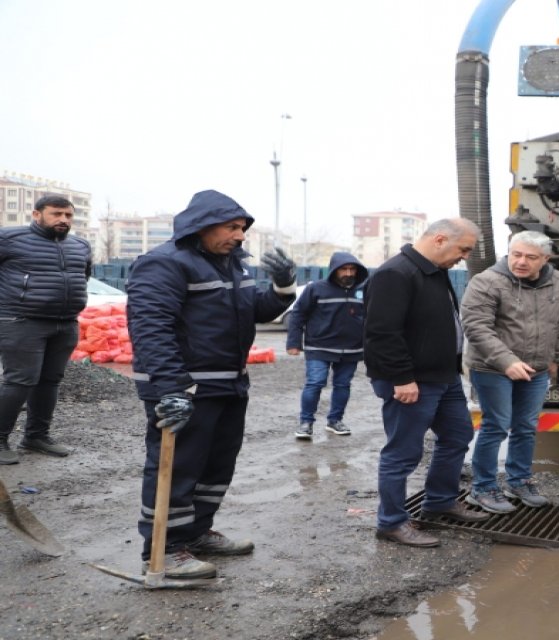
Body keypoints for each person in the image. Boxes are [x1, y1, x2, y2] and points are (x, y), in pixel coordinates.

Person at [127, 190, 297, 579]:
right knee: (179, 467)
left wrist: (283, 287)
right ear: (201, 226)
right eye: (231, 227)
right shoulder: (164, 264)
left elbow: (257, 311)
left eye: (242, 229)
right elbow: (151, 328)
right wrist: (171, 387)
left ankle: (196, 533)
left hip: (227, 384)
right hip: (184, 388)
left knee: (216, 466)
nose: (239, 236)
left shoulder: (231, 266)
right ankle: (164, 550)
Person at [364, 217, 489, 548]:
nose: (464, 256)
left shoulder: (434, 272)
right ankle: (390, 523)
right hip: (412, 381)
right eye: (463, 249)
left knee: (458, 435)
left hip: (443, 377)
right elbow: (382, 333)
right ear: (439, 239)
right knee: (403, 452)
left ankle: (440, 501)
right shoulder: (396, 273)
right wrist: (402, 378)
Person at [460, 230, 559, 513]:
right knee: (496, 425)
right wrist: (506, 361)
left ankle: (518, 481)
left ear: (545, 259)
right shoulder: (486, 282)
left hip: (535, 369)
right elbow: (476, 327)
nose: (521, 262)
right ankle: (482, 488)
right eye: (516, 254)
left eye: (530, 257)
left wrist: (554, 358)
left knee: (526, 427)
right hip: (493, 368)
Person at [0, 194, 92, 464]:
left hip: (64, 323)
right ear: (37, 214)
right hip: (21, 321)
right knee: (20, 381)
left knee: (50, 381)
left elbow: (82, 277)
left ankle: (36, 436)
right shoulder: (9, 239)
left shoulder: (80, 245)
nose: (63, 220)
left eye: (68, 215)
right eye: (56, 214)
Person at [286, 252, 369, 439]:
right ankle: (306, 423)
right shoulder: (315, 289)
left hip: (352, 348)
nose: (348, 273)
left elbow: (372, 318)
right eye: (344, 269)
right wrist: (294, 342)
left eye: (352, 269)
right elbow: (298, 314)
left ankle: (335, 421)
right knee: (315, 383)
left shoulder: (363, 290)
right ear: (334, 270)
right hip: (319, 346)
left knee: (343, 385)